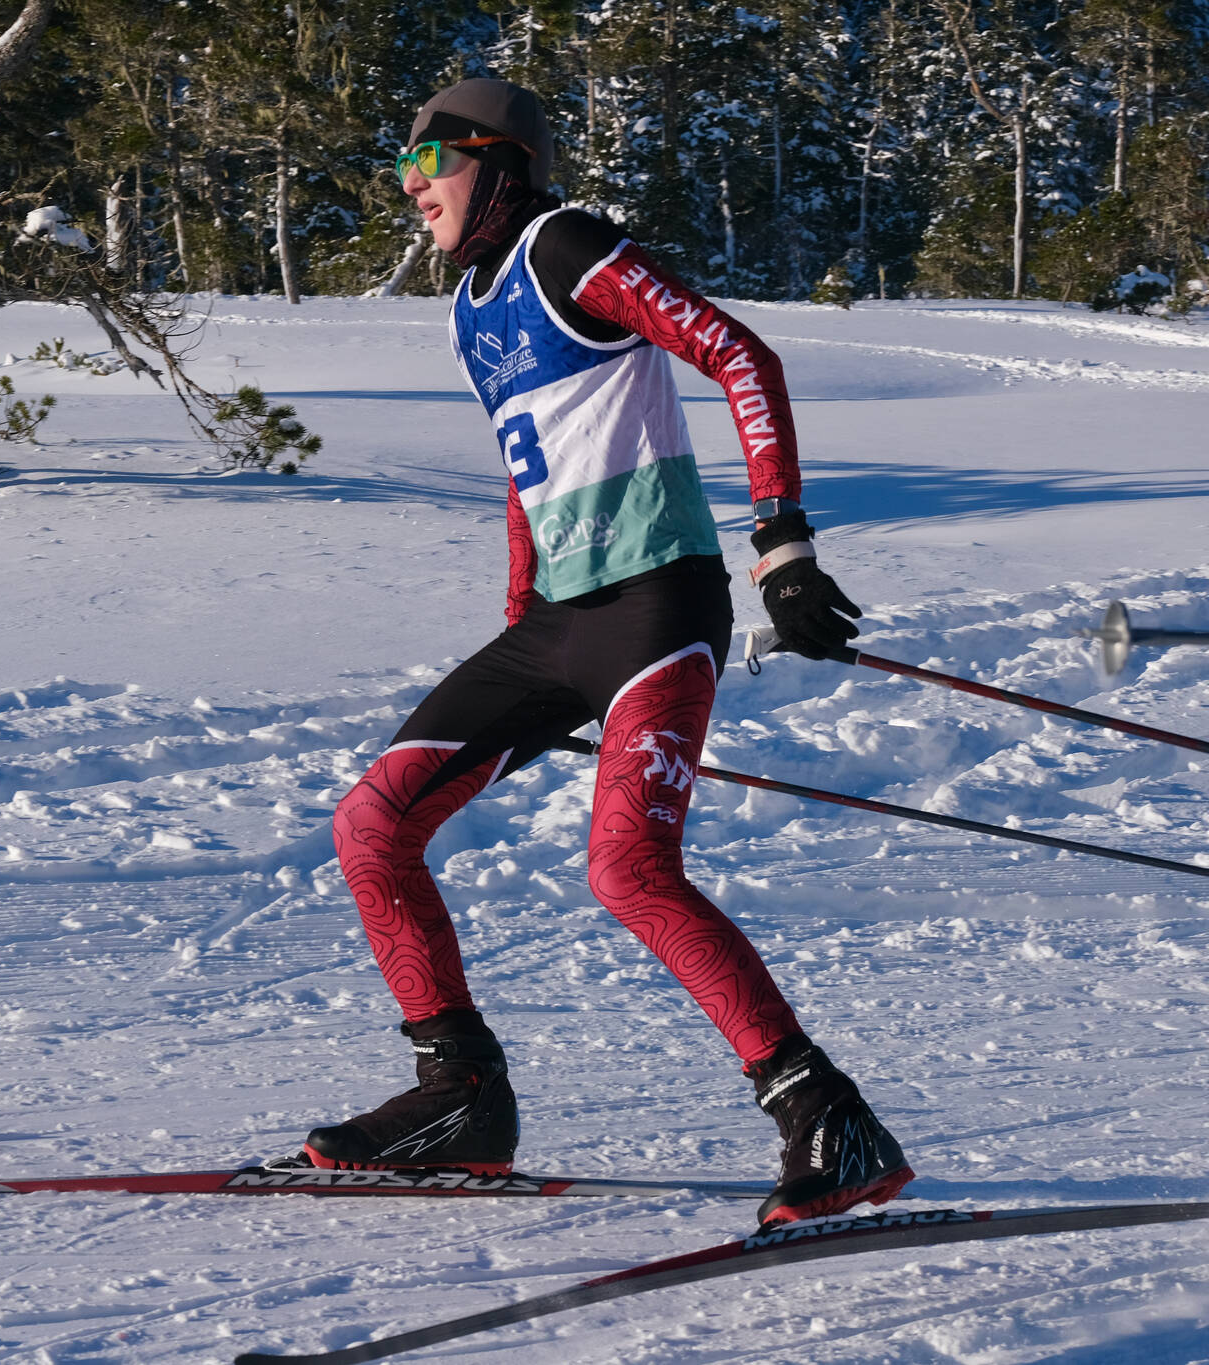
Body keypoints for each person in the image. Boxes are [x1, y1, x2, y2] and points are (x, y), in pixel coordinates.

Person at [294, 79, 913, 1228]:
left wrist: (778, 543)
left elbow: (737, 355)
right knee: (371, 824)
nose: (411, 186)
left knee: (626, 871)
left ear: (498, 162)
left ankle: (827, 1116)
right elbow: (533, 462)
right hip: (556, 628)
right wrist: (527, 620)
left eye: (425, 161)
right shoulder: (468, 306)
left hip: (654, 610)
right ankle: (460, 1099)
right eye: (400, 169)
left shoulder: (560, 246)